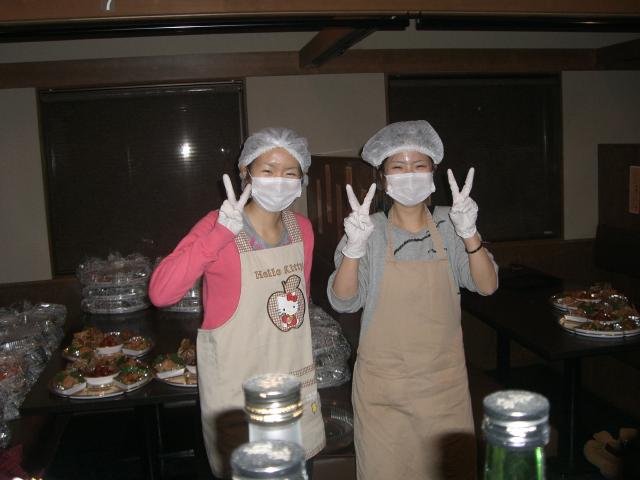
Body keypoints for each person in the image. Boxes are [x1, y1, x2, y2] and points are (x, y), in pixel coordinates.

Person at [149, 127, 325, 478]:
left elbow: (300, 302)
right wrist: (219, 235)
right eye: (268, 170)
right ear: (246, 172)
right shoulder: (217, 226)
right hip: (238, 389)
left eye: (290, 173)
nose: (279, 181)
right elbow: (161, 292)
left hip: (293, 383)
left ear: (302, 179)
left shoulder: (302, 229)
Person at [327, 120, 498, 480]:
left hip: (444, 387)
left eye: (419, 165)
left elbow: (486, 285)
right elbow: (344, 302)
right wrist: (354, 249)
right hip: (383, 390)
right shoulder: (367, 229)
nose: (409, 174)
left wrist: (470, 233)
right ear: (383, 177)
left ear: (433, 172)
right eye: (398, 166)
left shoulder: (452, 223)